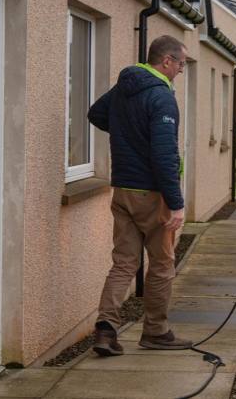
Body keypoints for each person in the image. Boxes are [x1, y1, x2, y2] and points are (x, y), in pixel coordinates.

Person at [88, 35, 191, 356]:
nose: (181, 71)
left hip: (123, 190)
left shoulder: (125, 86)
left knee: (123, 264)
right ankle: (156, 332)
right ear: (167, 62)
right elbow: (164, 155)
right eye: (181, 65)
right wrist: (175, 203)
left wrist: (127, 134)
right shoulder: (161, 97)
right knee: (161, 265)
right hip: (152, 194)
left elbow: (96, 113)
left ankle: (105, 331)